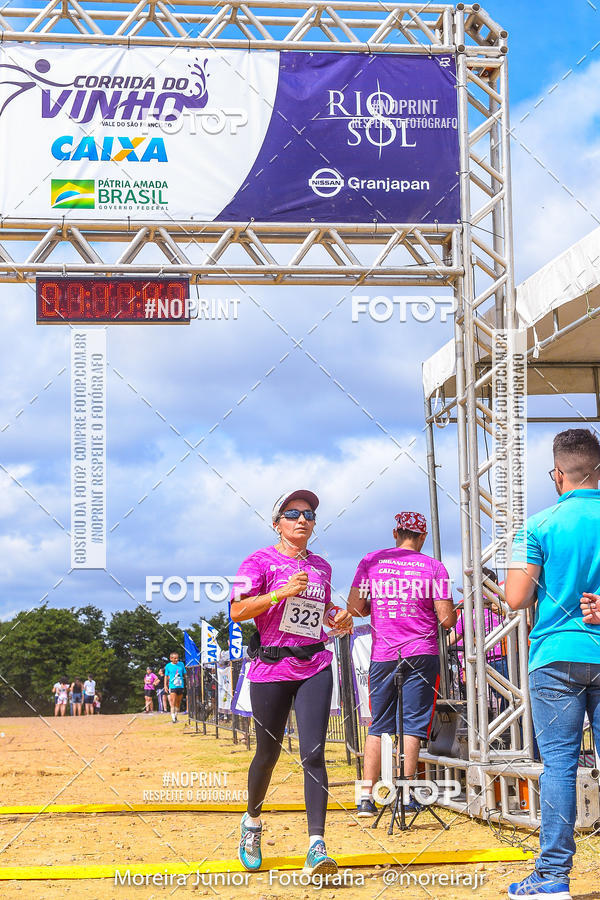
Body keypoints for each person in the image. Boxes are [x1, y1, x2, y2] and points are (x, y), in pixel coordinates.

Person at [230, 489, 353, 876]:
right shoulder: (258, 561)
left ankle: (317, 845)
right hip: (271, 669)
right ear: (276, 522)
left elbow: (322, 610)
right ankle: (251, 822)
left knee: (313, 752)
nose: (302, 519)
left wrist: (340, 617)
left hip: (314, 663)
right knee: (267, 754)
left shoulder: (322, 567)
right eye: (292, 513)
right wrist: (279, 592)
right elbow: (236, 610)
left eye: (309, 514)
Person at [506, 428, 600, 900]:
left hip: (555, 656)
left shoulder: (539, 524)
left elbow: (515, 597)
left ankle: (552, 878)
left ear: (558, 474)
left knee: (560, 766)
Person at [347, 510, 456, 817]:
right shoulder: (434, 567)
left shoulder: (371, 561)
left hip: (384, 652)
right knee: (414, 723)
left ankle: (366, 798)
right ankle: (408, 795)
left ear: (395, 534)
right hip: (421, 652)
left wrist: (377, 605)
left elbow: (355, 608)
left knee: (378, 724)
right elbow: (446, 618)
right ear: (422, 538)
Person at [164, 652, 186, 723]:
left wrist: (188, 680)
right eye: (175, 658)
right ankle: (173, 718)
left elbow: (184, 674)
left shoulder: (181, 664)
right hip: (172, 685)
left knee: (178, 702)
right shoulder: (168, 666)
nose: (176, 659)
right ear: (171, 658)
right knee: (172, 701)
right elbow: (166, 676)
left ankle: (176, 716)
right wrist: (165, 685)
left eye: (177, 658)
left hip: (180, 685)